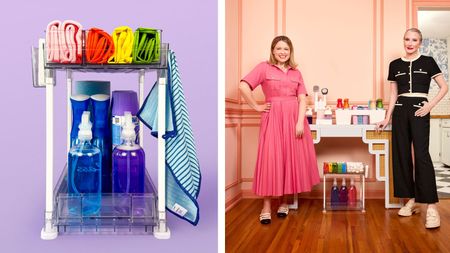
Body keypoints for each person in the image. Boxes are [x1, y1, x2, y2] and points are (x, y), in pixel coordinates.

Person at [239, 35, 320, 224]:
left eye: (286, 49)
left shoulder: (296, 73)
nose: (282, 52)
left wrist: (300, 122)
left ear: (290, 51)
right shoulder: (263, 67)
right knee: (271, 159)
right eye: (279, 48)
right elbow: (243, 86)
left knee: (288, 159)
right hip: (273, 118)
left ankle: (284, 202)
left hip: (293, 119)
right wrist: (256, 107)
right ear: (273, 50)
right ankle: (266, 206)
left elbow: (302, 99)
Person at [376, 28, 448, 228]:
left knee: (422, 156)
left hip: (419, 110)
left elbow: (444, 87)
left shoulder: (428, 62)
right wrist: (386, 117)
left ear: (420, 42)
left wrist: (429, 106)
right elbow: (393, 94)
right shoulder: (394, 64)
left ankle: (432, 207)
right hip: (399, 111)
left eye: (414, 40)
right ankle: (411, 200)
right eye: (407, 39)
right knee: (401, 155)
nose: (410, 43)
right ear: (403, 41)